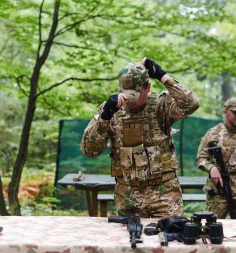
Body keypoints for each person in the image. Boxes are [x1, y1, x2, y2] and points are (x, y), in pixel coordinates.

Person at [80, 58, 199, 218]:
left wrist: (162, 76)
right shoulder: (110, 109)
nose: (130, 100)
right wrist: (105, 117)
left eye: (135, 93)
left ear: (147, 87)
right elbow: (89, 150)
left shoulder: (160, 105)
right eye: (126, 93)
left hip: (164, 194)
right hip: (128, 195)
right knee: (131, 241)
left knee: (170, 239)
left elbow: (191, 103)